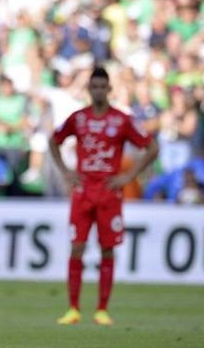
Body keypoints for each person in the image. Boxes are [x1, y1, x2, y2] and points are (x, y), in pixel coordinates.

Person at [49, 66, 159, 326]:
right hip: (83, 190)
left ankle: (102, 309)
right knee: (77, 247)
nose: (98, 91)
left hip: (109, 192)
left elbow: (152, 147)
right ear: (89, 89)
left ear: (109, 89)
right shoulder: (78, 118)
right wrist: (66, 172)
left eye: (102, 87)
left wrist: (128, 176)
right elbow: (54, 141)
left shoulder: (121, 120)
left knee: (107, 249)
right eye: (94, 86)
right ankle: (73, 309)